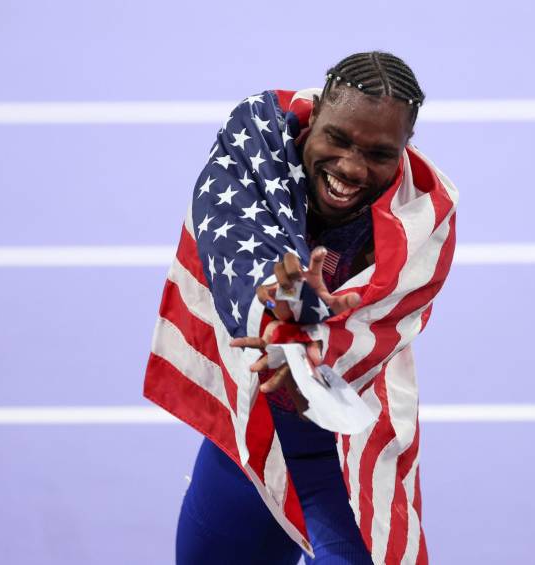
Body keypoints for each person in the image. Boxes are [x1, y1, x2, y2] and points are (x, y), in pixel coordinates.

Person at [144, 51, 458, 565]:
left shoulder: (425, 215)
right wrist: (280, 306)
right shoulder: (256, 140)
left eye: (380, 153)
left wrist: (302, 335)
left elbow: (372, 331)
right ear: (316, 116)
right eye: (338, 139)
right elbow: (235, 250)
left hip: (344, 437)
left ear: (406, 148)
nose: (352, 167)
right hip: (254, 426)